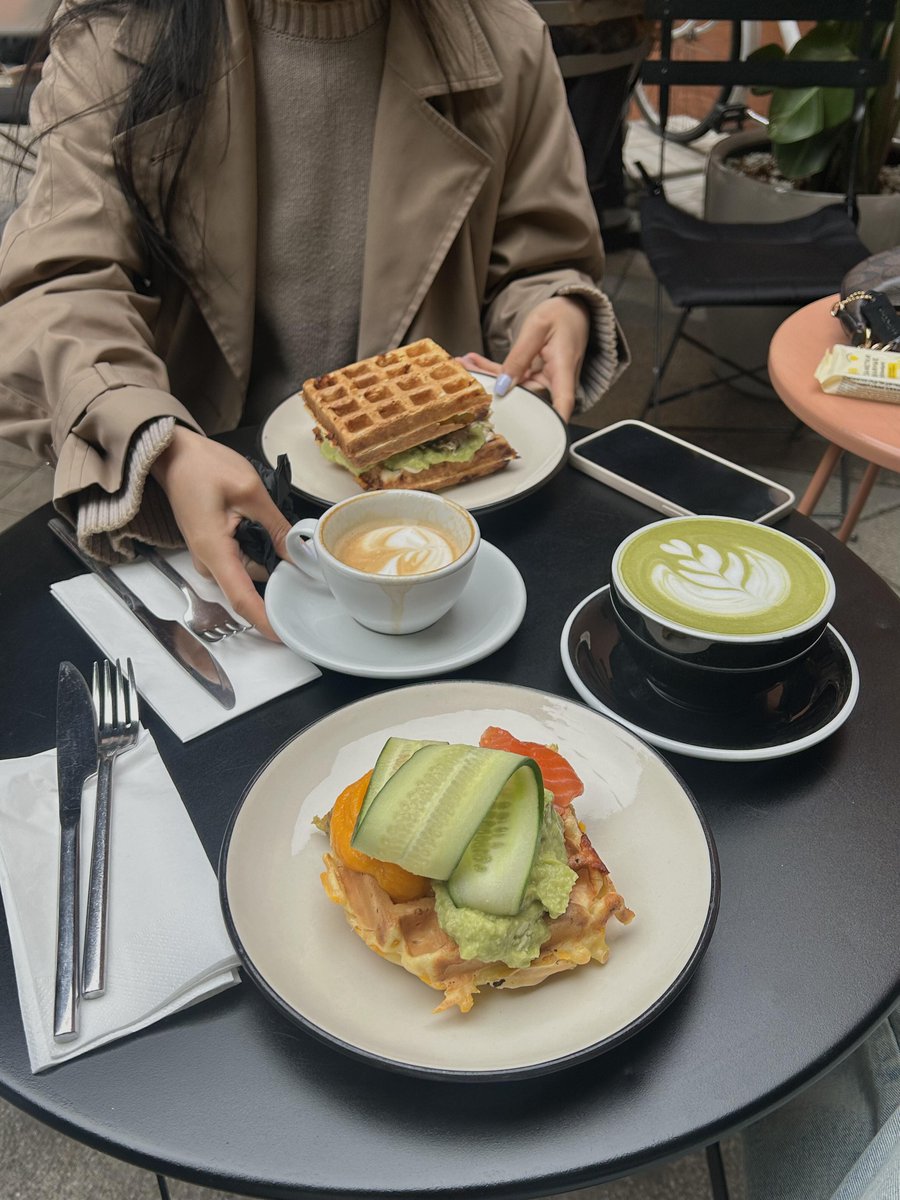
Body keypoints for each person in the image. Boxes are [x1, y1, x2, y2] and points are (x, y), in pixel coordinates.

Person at [0, 0, 627, 637]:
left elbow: (538, 257)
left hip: (449, 535)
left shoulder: (507, 37)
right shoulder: (113, 38)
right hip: (204, 522)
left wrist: (553, 305)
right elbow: (61, 285)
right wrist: (157, 440)